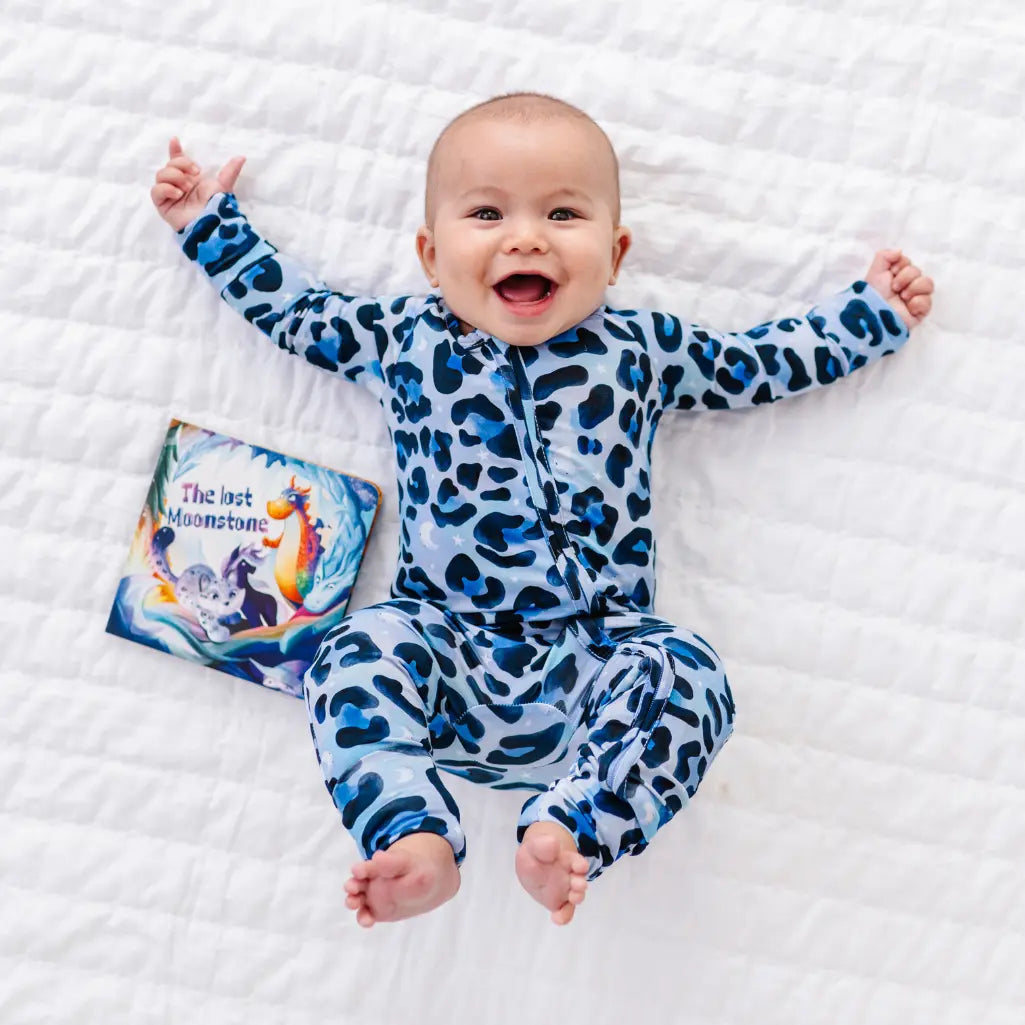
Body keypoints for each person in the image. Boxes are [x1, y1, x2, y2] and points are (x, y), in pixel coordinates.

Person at [150, 91, 934, 928]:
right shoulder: (401, 339)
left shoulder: (643, 350)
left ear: (615, 252)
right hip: (442, 643)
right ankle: (412, 833)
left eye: (563, 213)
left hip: (596, 658)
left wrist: (871, 316)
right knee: (348, 653)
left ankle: (571, 826)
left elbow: (755, 363)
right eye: (485, 213)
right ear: (429, 254)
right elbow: (298, 314)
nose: (525, 237)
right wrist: (207, 221)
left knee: (688, 675)